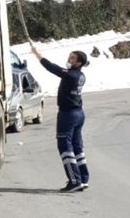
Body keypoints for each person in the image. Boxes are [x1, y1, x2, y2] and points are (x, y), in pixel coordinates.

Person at [30, 45, 90, 193]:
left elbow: (52, 68)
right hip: (78, 113)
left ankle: (74, 181)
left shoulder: (71, 75)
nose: (69, 59)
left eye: (72, 58)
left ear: (79, 63)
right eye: (69, 56)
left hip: (68, 115)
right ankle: (83, 178)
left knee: (65, 147)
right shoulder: (80, 75)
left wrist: (38, 54)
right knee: (77, 147)